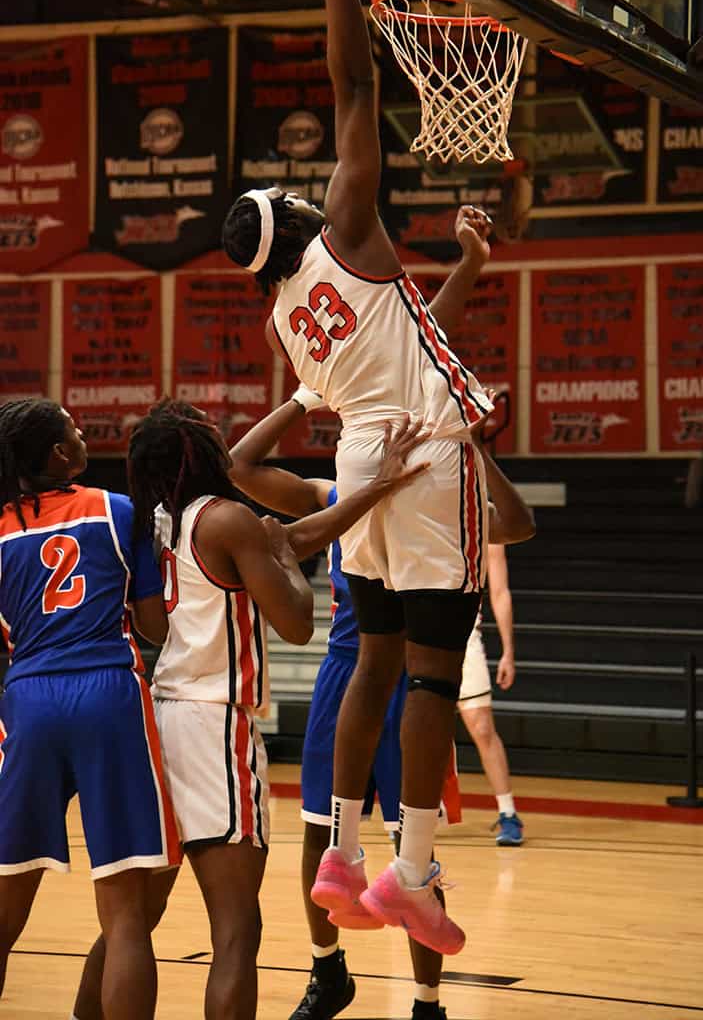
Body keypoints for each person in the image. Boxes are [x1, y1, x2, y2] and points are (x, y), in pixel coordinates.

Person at [222, 0, 496, 956]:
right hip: (422, 455)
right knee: (434, 659)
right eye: (293, 195)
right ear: (297, 219)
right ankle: (413, 873)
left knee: (374, 654)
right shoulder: (341, 227)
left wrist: (462, 275)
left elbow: (399, 330)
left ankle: (338, 855)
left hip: (370, 454)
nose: (307, 186)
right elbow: (354, 90)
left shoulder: (288, 318)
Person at [73, 398, 430, 1020]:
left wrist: (376, 490)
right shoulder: (230, 520)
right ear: (200, 454)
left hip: (156, 718)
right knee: (236, 931)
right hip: (216, 728)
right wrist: (286, 561)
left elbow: (291, 537)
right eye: (212, 437)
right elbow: (293, 619)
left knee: (133, 921)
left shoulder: (152, 522)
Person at [229, 377, 535, 1020]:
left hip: (409, 684)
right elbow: (240, 467)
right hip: (348, 673)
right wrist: (306, 396)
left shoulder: (445, 497)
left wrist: (473, 448)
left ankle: (428, 1003)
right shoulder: (335, 493)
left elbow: (517, 523)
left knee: (412, 856)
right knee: (319, 839)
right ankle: (328, 971)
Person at [0, 398, 181, 1020]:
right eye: (74, 431)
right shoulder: (118, 510)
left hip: (28, 700)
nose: (82, 437)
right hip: (109, 693)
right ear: (58, 454)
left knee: (4, 906)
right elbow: (155, 627)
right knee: (127, 916)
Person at [458, 543, 525, 846]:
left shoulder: (486, 522)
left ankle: (509, 814)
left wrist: (508, 651)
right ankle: (407, 815)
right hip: (419, 637)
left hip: (465, 636)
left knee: (483, 728)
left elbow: (499, 592)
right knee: (415, 732)